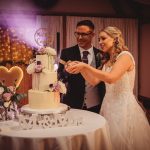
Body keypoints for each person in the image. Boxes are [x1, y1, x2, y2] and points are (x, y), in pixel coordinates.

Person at [65, 26, 150, 150]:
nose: (100, 42)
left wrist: (85, 66)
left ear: (115, 38)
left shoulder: (125, 56)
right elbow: (93, 81)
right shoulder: (107, 61)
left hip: (124, 108)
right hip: (108, 106)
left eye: (103, 38)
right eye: (99, 39)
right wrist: (80, 68)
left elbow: (111, 78)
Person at [58, 20, 106, 113]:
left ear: (92, 35)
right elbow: (60, 76)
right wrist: (67, 71)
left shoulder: (101, 54)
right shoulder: (67, 52)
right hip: (72, 103)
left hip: (96, 105)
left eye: (84, 34)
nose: (79, 37)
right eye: (77, 34)